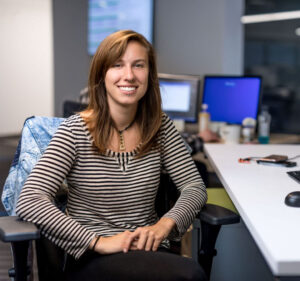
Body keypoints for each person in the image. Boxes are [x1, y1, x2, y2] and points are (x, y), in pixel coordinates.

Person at [16, 30, 207, 281]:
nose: (129, 75)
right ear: (101, 74)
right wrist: (99, 242)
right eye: (117, 65)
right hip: (90, 256)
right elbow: (30, 199)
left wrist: (165, 224)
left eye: (138, 65)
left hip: (148, 251)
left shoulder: (159, 127)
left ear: (149, 75)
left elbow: (194, 187)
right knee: (189, 275)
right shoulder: (75, 130)